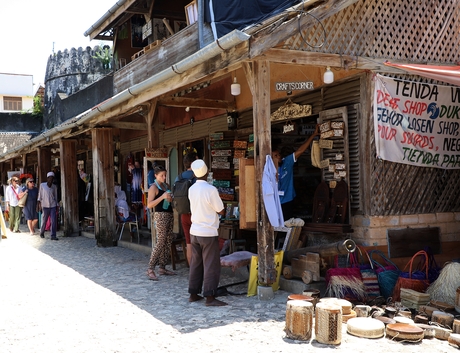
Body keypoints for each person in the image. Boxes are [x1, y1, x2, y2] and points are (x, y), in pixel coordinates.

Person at [188, 159, 227, 307]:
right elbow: (220, 210)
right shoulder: (211, 190)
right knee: (211, 264)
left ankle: (193, 293)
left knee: (196, 263)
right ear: (206, 173)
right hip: (208, 232)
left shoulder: (191, 189)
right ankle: (210, 297)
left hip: (195, 231)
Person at [271, 124, 320, 221]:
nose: (279, 157)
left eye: (279, 154)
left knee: (287, 223)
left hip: (287, 200)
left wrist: (313, 135)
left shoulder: (287, 162)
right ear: (271, 158)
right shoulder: (268, 169)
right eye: (276, 155)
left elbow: (300, 150)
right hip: (274, 202)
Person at [146, 165, 175, 280]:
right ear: (156, 175)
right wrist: (162, 196)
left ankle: (162, 267)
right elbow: (149, 205)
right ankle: (150, 268)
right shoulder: (153, 187)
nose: (164, 177)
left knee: (168, 241)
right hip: (160, 215)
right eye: (161, 175)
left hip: (169, 213)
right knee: (161, 241)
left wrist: (170, 198)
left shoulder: (166, 185)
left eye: (165, 175)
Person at [174, 152, 198, 266]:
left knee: (189, 243)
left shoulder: (178, 177)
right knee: (199, 244)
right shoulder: (196, 176)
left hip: (183, 214)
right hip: (196, 213)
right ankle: (199, 271)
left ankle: (192, 270)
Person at [37, 171, 59, 240]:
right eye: (49, 178)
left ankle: (53, 235)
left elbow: (55, 196)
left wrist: (57, 205)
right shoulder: (42, 185)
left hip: (52, 205)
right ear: (47, 178)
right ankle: (42, 232)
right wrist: (38, 204)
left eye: (52, 178)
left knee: (53, 220)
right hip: (45, 205)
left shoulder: (54, 187)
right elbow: (39, 195)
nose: (51, 180)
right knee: (44, 220)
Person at [130, 160, 144, 225]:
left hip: (140, 187)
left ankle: (141, 219)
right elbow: (132, 170)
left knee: (140, 202)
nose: (136, 166)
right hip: (135, 187)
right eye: (135, 165)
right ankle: (137, 219)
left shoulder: (141, 170)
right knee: (135, 203)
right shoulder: (134, 170)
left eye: (137, 165)